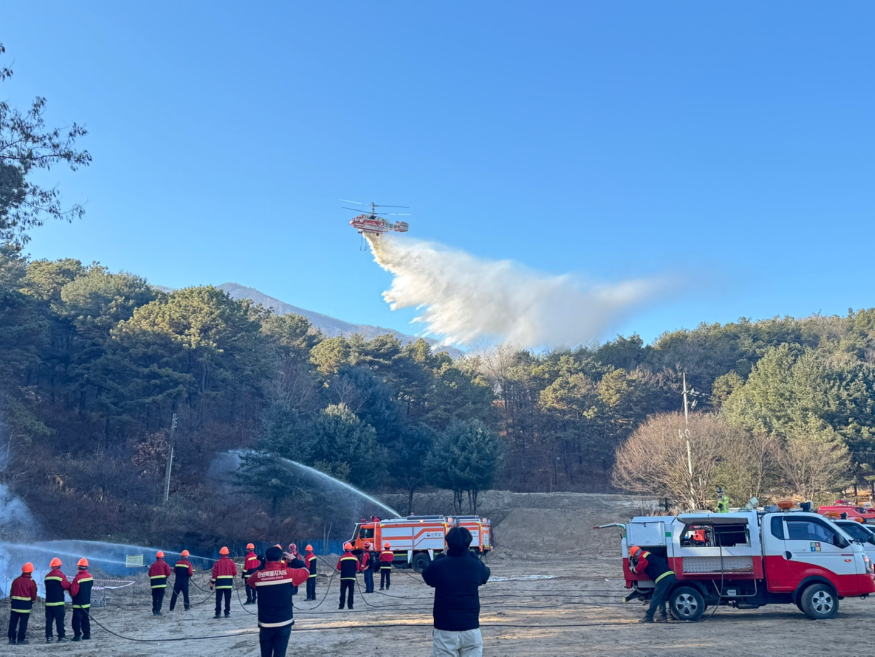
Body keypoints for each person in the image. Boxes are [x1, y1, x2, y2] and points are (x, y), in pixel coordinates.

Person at [422, 527, 491, 657]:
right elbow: (485, 575)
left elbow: (427, 575)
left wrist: (442, 554)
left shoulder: (440, 565)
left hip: (445, 628)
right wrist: (470, 553)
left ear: (447, 543)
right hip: (470, 628)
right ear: (469, 543)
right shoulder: (475, 566)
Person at [246, 545, 310, 657]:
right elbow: (306, 571)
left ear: (266, 558)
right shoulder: (289, 574)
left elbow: (249, 579)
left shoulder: (258, 576)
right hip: (284, 622)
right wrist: (294, 560)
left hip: (265, 624)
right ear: (281, 559)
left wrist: (263, 566)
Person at [629, 546, 676, 623]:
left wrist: (632, 570)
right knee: (662, 598)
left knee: (655, 598)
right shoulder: (648, 554)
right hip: (671, 576)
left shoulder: (642, 556)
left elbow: (639, 569)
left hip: (663, 578)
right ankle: (663, 617)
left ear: (635, 555)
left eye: (634, 557)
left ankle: (649, 616)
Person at [8, 562, 38, 645]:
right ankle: (21, 639)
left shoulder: (16, 580)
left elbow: (11, 593)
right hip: (25, 606)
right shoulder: (31, 582)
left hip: (15, 605)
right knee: (23, 623)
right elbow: (33, 594)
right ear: (31, 571)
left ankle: (11, 639)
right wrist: (32, 601)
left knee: (13, 622)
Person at [44, 557, 71, 643]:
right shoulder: (60, 576)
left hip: (48, 603)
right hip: (58, 603)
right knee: (59, 621)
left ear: (51, 567)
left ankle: (49, 637)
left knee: (49, 621)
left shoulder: (47, 577)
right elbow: (67, 586)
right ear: (59, 566)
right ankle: (61, 637)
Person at [70, 558, 93, 641]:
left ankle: (77, 636)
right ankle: (87, 634)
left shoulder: (77, 578)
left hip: (78, 604)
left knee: (76, 620)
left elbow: (73, 591)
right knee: (85, 619)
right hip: (87, 603)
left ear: (78, 567)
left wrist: (70, 591)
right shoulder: (90, 577)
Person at [211, 546, 238, 618]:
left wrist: (212, 583)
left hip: (219, 584)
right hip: (228, 584)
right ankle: (227, 613)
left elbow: (214, 574)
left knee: (218, 599)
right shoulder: (231, 562)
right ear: (227, 554)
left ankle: (218, 613)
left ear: (220, 554)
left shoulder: (217, 563)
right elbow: (235, 572)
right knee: (227, 599)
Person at [336, 542, 360, 610]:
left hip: (343, 578)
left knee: (343, 592)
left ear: (345, 549)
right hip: (352, 577)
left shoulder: (342, 558)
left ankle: (341, 606)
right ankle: (350, 606)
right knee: (351, 592)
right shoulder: (355, 558)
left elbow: (338, 568)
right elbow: (357, 568)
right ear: (351, 549)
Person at [149, 551, 172, 615]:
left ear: (156, 558)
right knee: (160, 597)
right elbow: (168, 573)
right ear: (162, 557)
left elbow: (149, 574)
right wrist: (165, 576)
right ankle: (158, 610)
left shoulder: (153, 565)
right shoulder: (165, 564)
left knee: (154, 597)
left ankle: (154, 610)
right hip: (161, 584)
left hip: (153, 584)